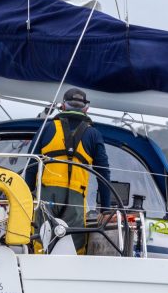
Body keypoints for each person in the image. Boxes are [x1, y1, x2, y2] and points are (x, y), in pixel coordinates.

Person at [25, 88, 111, 253]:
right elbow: (103, 174)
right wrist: (105, 209)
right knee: (75, 247)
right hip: (75, 199)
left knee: (40, 243)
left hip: (47, 196)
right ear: (86, 109)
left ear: (62, 106)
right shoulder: (93, 134)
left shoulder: (47, 128)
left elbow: (31, 166)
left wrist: (25, 196)